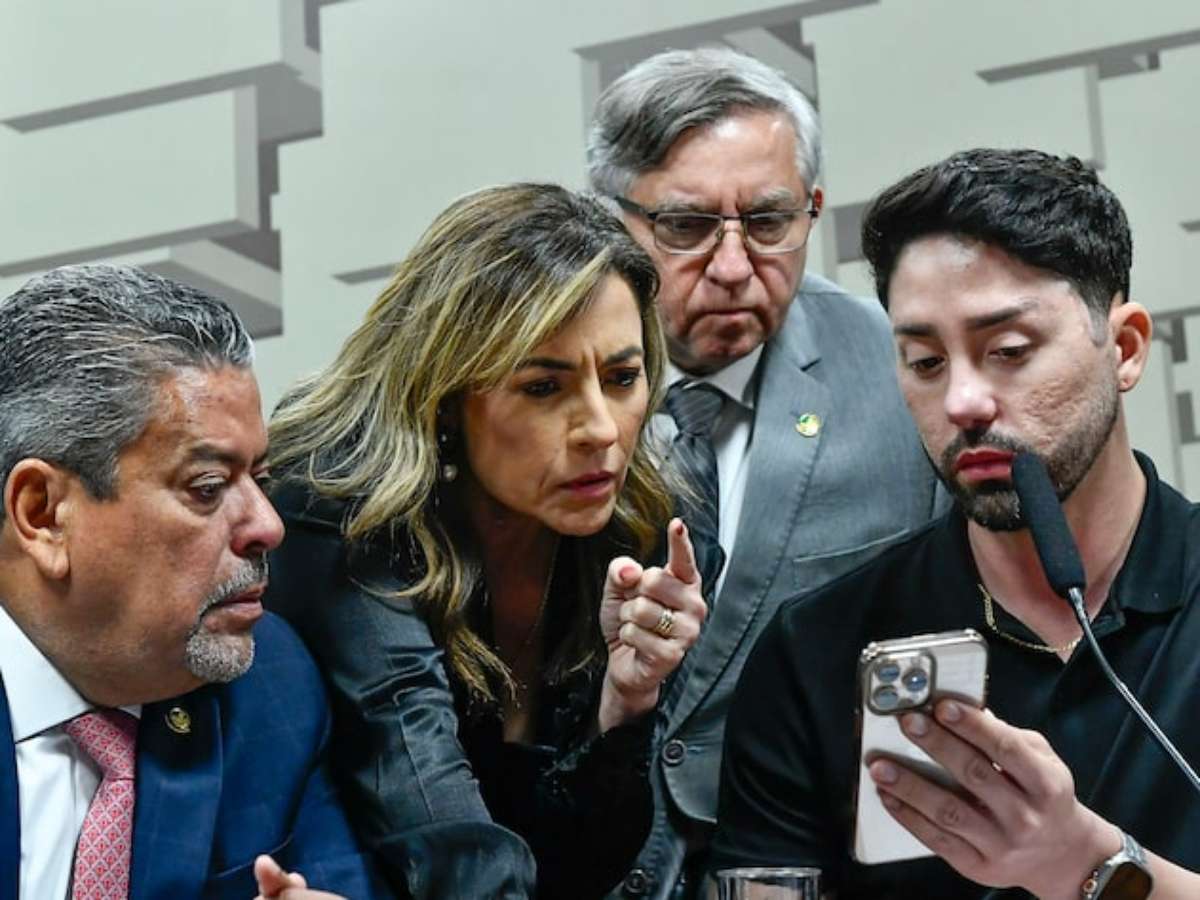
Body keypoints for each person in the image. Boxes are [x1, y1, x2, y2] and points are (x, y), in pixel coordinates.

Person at [714, 148, 1200, 898]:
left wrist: (1087, 867)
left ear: (1126, 349)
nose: (963, 402)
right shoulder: (814, 649)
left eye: (1008, 351)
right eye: (925, 362)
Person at [264, 183, 711, 899]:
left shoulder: (642, 521)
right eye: (543, 388)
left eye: (622, 378)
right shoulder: (339, 507)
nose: (601, 428)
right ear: (445, 396)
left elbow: (580, 869)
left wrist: (623, 707)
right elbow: (438, 825)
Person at [585, 47, 945, 897]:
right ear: (609, 220)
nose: (734, 265)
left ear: (814, 208)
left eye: (771, 221)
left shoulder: (907, 377)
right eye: (685, 227)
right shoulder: (531, 380)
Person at [0, 264, 383, 900]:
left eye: (260, 478)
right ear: (43, 514)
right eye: (207, 488)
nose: (268, 527)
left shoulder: (272, 687)